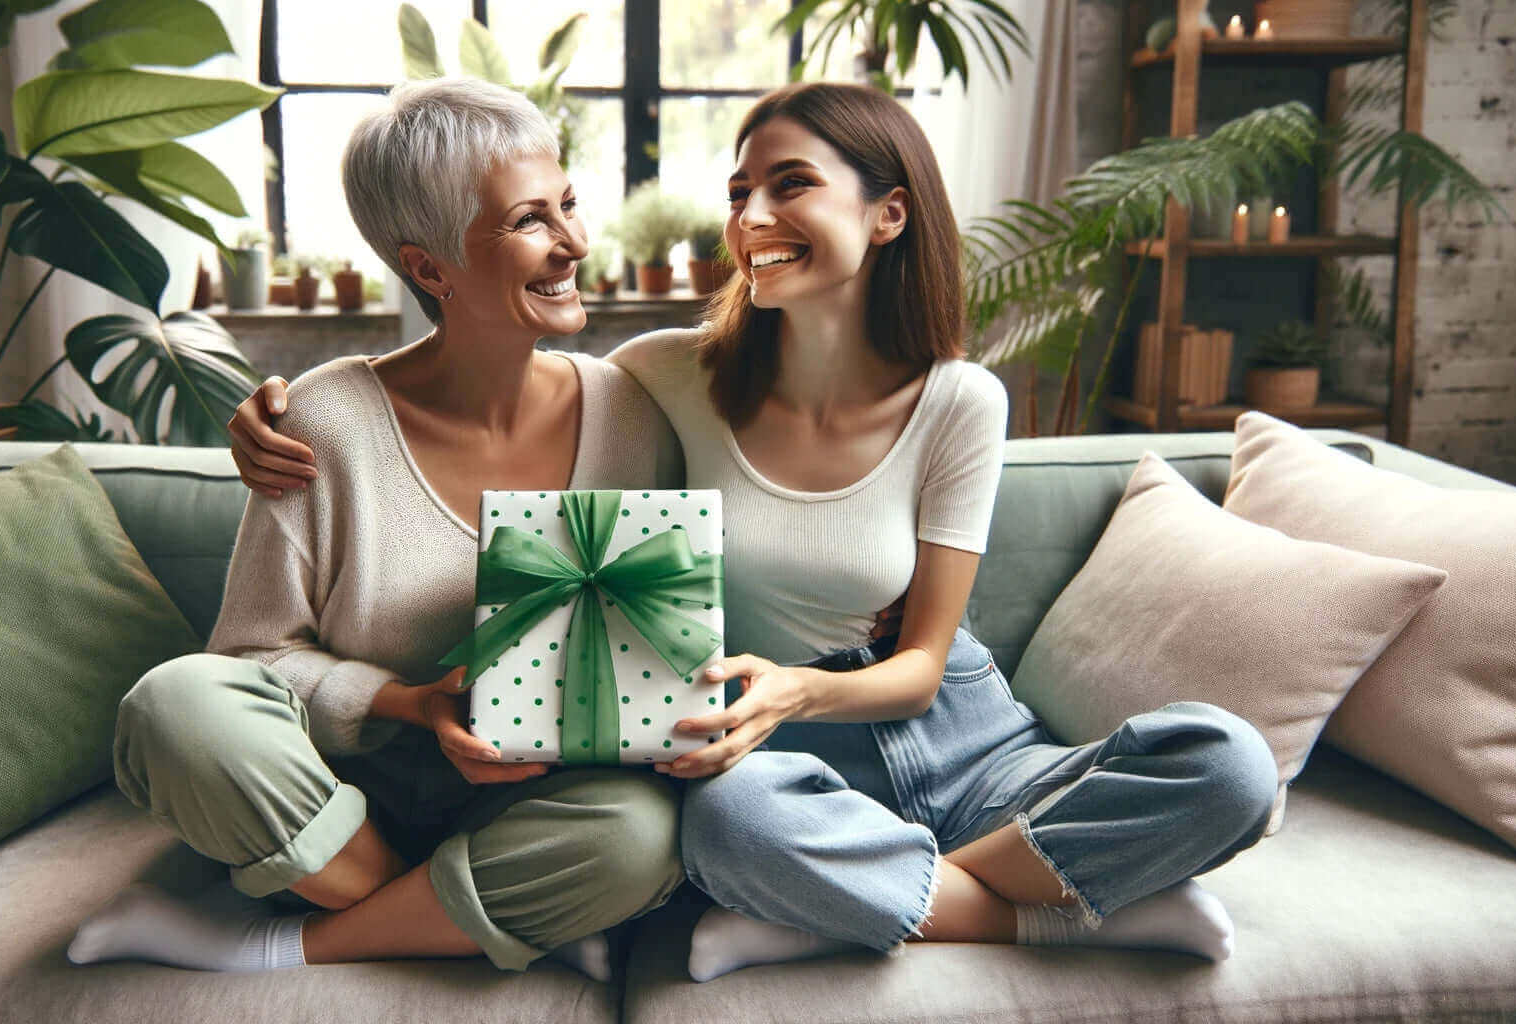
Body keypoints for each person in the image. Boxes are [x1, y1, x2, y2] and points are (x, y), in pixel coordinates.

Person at [229, 83, 1278, 982]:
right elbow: (496, 384)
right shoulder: (658, 379)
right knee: (725, 829)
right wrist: (268, 415)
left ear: (887, 216)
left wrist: (802, 685)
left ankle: (856, 902)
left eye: (789, 185)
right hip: (776, 764)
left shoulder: (959, 400)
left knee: (1231, 767)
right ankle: (1054, 910)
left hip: (956, 737)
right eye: (738, 191)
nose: (750, 215)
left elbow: (918, 665)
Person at [64, 77, 685, 979]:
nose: (576, 245)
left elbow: (655, 641)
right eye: (528, 223)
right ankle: (462, 915)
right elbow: (251, 661)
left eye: (570, 206)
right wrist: (414, 704)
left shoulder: (631, 412)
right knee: (172, 706)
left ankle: (284, 942)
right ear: (429, 269)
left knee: (643, 836)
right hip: (343, 806)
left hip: (530, 802)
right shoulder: (324, 421)